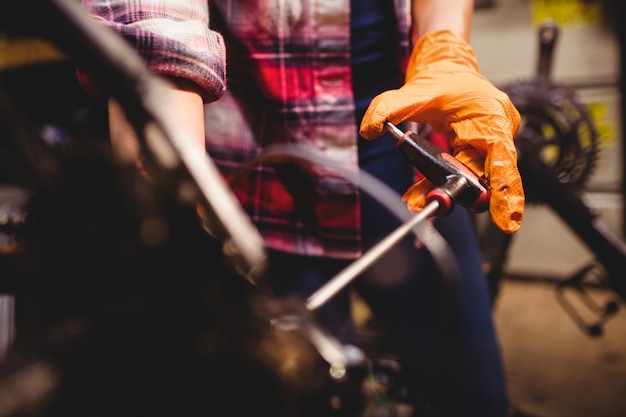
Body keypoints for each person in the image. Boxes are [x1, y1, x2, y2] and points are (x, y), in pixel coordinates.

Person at [79, 0, 525, 415]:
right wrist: (164, 215)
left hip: (407, 165)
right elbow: (157, 34)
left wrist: (444, 49)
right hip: (265, 186)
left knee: (474, 398)